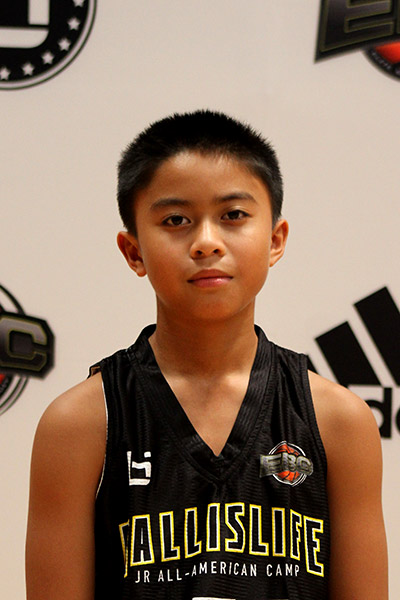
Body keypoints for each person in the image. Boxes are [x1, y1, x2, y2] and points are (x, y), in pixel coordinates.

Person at [25, 110, 388, 600]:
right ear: (134, 251)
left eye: (233, 215)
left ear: (275, 239)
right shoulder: (81, 423)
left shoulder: (339, 421)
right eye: (176, 220)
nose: (206, 243)